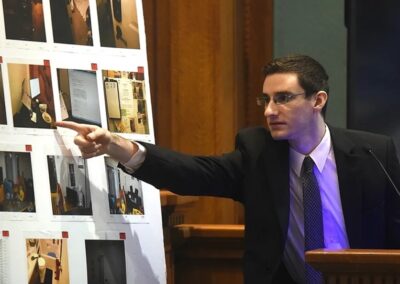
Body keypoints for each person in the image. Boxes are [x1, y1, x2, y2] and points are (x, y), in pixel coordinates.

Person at [56, 54, 400, 284]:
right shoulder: (258, 153)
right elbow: (192, 172)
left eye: (282, 98)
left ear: (318, 100)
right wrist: (118, 145)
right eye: (265, 100)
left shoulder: (373, 153)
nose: (269, 110)